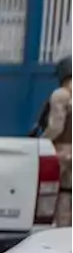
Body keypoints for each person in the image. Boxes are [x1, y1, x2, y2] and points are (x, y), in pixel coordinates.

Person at [42, 54, 73, 226]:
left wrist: (43, 141)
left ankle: (59, 229)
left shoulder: (61, 95)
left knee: (58, 192)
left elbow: (56, 127)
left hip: (61, 151)